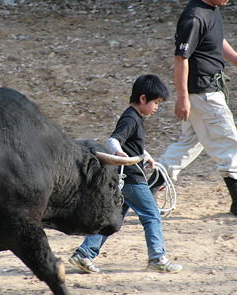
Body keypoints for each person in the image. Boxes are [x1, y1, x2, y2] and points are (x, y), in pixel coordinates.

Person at [148, 0, 237, 219]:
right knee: (227, 140)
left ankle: (148, 191)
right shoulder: (194, 17)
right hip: (203, 93)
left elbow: (215, 40)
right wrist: (183, 97)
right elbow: (180, 58)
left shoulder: (211, 10)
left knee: (188, 145)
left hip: (205, 90)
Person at [69, 74, 183, 274]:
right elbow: (114, 141)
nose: (156, 107)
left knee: (110, 220)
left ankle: (84, 254)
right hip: (131, 179)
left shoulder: (136, 117)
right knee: (152, 215)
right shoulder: (131, 117)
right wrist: (121, 154)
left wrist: (144, 155)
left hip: (128, 178)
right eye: (155, 102)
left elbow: (132, 144)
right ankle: (157, 258)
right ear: (143, 98)